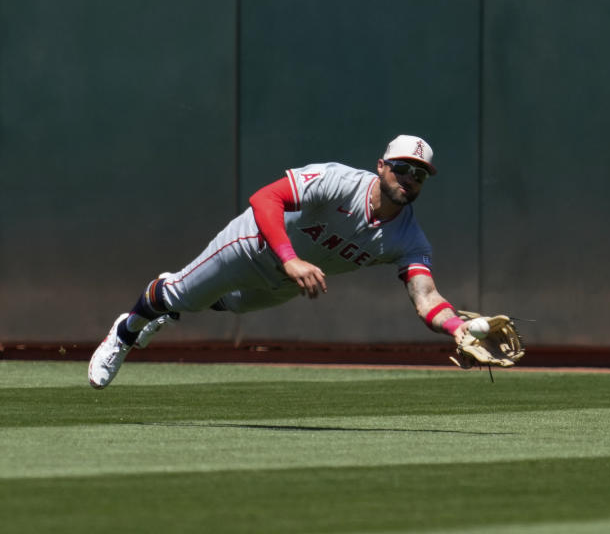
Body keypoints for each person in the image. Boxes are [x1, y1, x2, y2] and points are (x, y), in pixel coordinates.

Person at [88, 135, 476, 388]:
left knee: (232, 303)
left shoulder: (410, 239)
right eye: (403, 168)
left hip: (290, 281)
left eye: (420, 175)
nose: (410, 178)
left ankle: (178, 303)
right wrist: (290, 259)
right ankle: (125, 331)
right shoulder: (339, 181)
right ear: (381, 166)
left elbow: (425, 297)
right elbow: (264, 199)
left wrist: (458, 329)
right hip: (252, 244)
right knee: (179, 295)